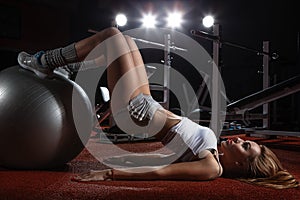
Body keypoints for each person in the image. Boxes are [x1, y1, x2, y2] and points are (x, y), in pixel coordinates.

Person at [18, 27, 298, 189]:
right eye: (248, 143)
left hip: (133, 112)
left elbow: (161, 172)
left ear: (241, 164)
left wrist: (109, 173)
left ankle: (46, 61)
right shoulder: (212, 150)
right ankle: (67, 67)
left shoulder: (212, 167)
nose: (242, 140)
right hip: (146, 105)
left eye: (247, 148)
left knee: (114, 37)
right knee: (126, 41)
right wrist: (130, 161)